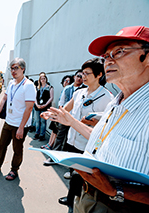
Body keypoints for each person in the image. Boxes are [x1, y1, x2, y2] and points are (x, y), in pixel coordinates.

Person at [46, 26, 149, 212]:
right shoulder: (116, 103)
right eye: (106, 56)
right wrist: (70, 121)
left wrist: (116, 190)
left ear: (147, 57)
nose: (108, 61)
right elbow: (103, 139)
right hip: (87, 197)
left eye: (119, 52)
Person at [49, 58, 114, 211]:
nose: (83, 76)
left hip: (87, 144)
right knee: (73, 174)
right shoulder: (79, 93)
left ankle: (77, 204)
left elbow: (109, 126)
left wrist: (94, 122)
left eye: (87, 73)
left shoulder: (107, 98)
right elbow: (65, 110)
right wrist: (51, 114)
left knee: (83, 178)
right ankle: (71, 199)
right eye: (82, 73)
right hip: (72, 141)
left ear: (99, 75)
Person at [0, 58, 36, 181]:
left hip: (20, 124)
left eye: (16, 68)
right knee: (2, 145)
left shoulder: (28, 85)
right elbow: (4, 99)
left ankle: (14, 170)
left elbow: (29, 108)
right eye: (11, 68)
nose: (13, 71)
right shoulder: (12, 83)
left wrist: (21, 127)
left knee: (17, 149)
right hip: (9, 121)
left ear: (23, 69)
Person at [43, 70, 85, 165]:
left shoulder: (85, 90)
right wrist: (59, 114)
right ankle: (53, 158)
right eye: (78, 76)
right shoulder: (68, 88)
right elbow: (61, 102)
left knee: (70, 140)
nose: (79, 78)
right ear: (74, 77)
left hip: (76, 119)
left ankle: (66, 160)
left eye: (82, 77)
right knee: (60, 136)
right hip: (64, 116)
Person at [41, 74, 73, 149]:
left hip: (64, 114)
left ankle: (51, 145)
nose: (66, 82)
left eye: (68, 81)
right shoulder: (64, 90)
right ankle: (49, 143)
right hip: (58, 112)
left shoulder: (71, 90)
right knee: (53, 129)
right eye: (65, 80)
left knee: (57, 132)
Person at [33, 72, 54, 141]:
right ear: (39, 80)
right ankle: (37, 133)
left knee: (43, 121)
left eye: (44, 78)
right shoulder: (37, 87)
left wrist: (45, 105)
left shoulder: (50, 87)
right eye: (41, 79)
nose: (43, 80)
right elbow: (35, 97)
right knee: (37, 120)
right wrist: (36, 104)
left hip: (45, 107)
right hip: (37, 106)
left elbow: (51, 98)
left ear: (46, 79)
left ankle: (42, 135)